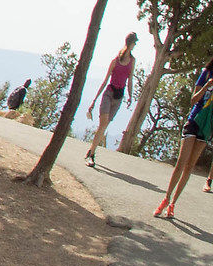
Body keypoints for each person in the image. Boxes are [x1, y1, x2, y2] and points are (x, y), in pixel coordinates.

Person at [153, 58, 213, 219]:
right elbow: (193, 100)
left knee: (189, 166)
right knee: (180, 164)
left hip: (207, 127)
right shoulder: (206, 73)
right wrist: (207, 86)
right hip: (194, 120)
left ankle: (173, 204)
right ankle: (166, 198)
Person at [85, 32, 141, 166]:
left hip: (119, 97)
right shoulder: (115, 61)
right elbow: (105, 81)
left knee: (105, 125)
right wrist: (94, 100)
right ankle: (91, 154)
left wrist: (130, 96)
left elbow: (130, 80)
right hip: (109, 94)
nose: (135, 45)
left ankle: (91, 151)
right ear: (130, 43)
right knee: (103, 124)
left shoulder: (132, 61)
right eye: (134, 42)